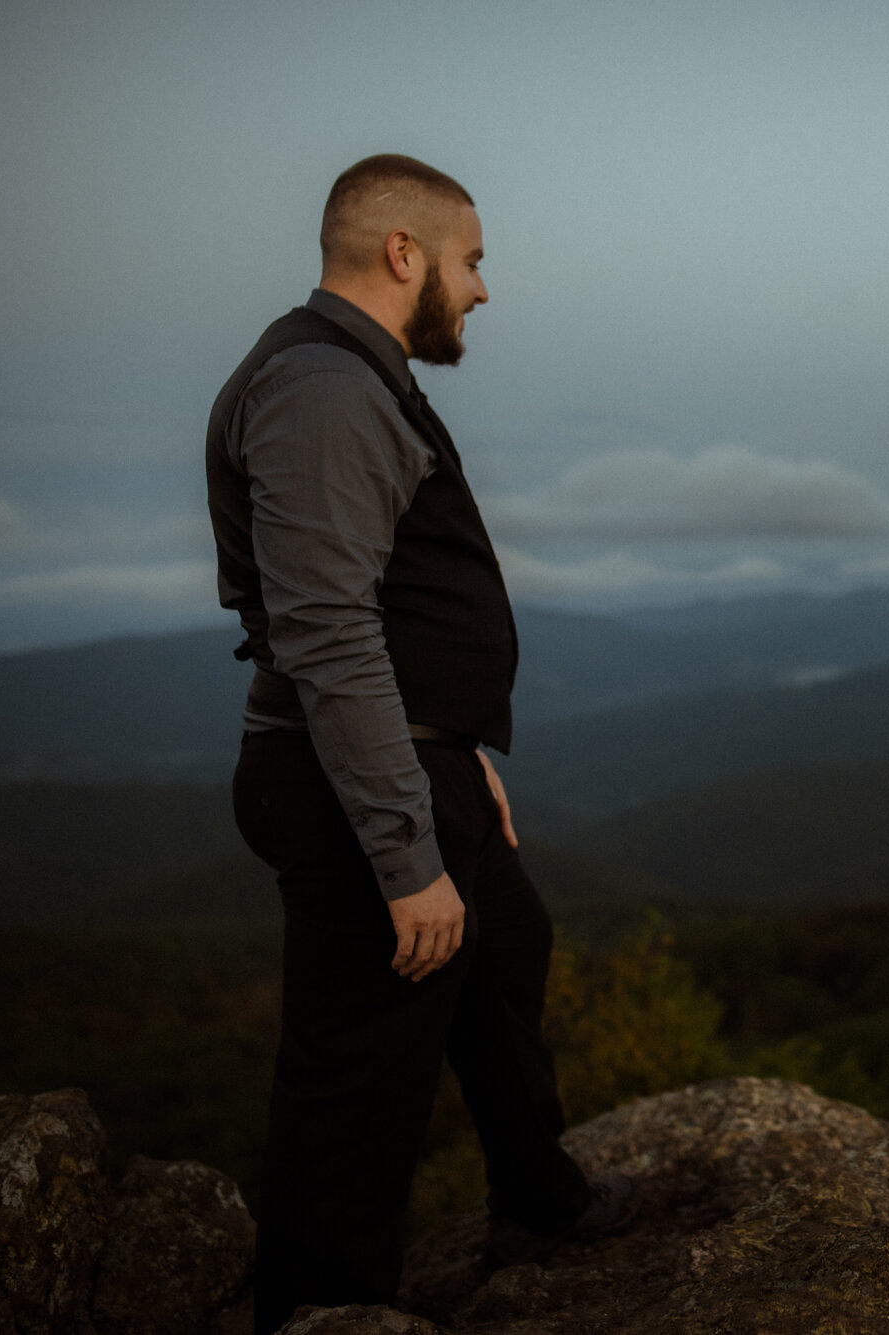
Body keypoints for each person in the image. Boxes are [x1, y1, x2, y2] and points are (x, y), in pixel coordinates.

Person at [206, 154, 634, 1335]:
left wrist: (453, 754)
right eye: (473, 259)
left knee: (506, 951)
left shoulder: (351, 373)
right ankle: (322, 1311)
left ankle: (539, 1202)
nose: (483, 289)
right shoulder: (322, 389)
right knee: (359, 1076)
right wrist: (403, 850)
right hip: (348, 780)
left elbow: (386, 610)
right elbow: (328, 631)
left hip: (412, 754)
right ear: (405, 254)